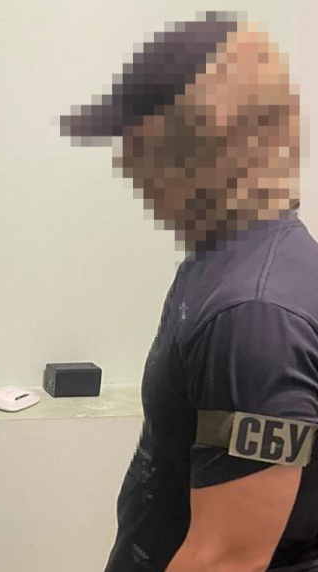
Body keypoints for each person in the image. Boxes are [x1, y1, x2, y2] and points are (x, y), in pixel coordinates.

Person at [62, 12, 318, 572]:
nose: (131, 167)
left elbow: (226, 559)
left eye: (145, 144)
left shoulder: (254, 313)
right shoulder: (219, 263)